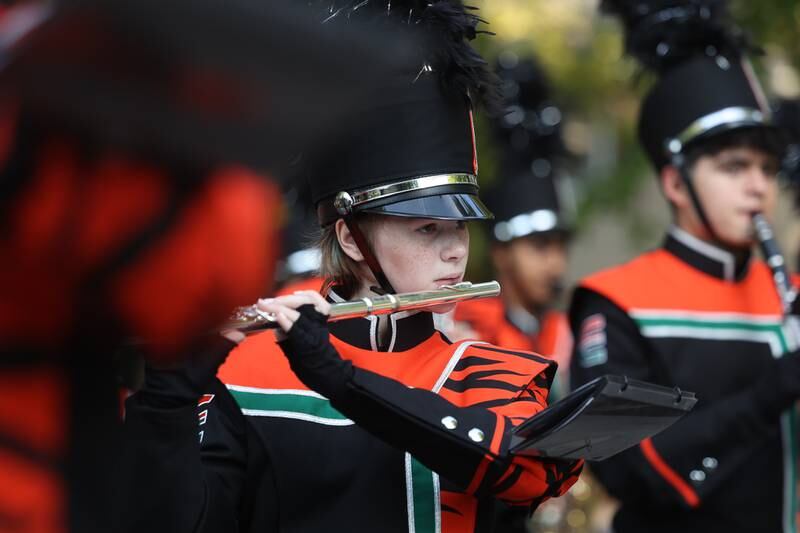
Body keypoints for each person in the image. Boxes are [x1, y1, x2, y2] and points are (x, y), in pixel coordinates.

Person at [124, 2, 582, 532]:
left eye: (459, 227)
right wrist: (169, 395)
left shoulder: (497, 374)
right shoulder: (250, 376)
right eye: (426, 229)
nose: (456, 250)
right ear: (353, 237)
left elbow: (536, 474)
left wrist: (343, 382)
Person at [568, 2, 800, 532]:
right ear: (675, 183)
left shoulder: (790, 293)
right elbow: (627, 471)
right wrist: (774, 391)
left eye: (766, 168)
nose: (759, 186)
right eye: (734, 167)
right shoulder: (616, 301)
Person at [451, 53, 573, 388]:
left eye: (561, 246)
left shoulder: (572, 333)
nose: (556, 263)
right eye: (539, 246)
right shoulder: (466, 337)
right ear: (500, 253)